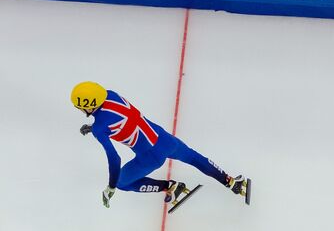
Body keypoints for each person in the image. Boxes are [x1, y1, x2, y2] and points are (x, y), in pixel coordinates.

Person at [71, 81, 249, 209]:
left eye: (79, 107)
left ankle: (169, 186)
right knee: (194, 158)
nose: (79, 110)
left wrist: (111, 186)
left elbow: (114, 159)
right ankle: (232, 182)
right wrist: (93, 127)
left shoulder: (100, 129)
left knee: (122, 183)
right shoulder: (111, 94)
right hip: (164, 139)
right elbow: (115, 118)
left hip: (150, 157)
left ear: (88, 104)